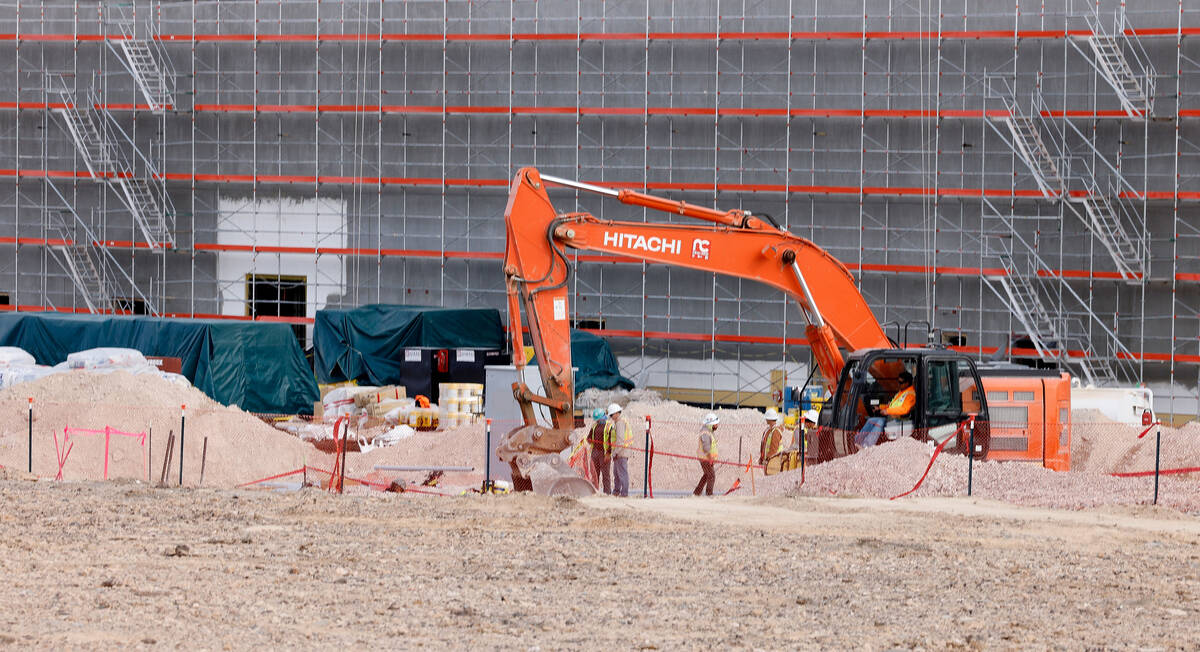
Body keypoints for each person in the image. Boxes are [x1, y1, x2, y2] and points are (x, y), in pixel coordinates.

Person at [854, 370, 916, 449]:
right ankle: (857, 441)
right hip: (892, 418)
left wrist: (887, 411)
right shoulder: (902, 392)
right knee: (871, 420)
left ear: (907, 383)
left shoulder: (910, 394)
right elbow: (891, 405)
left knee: (879, 422)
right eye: (898, 382)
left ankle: (866, 446)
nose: (898, 384)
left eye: (900, 382)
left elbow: (904, 410)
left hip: (901, 420)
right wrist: (880, 407)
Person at [603, 403, 633, 497]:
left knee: (622, 474)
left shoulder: (620, 423)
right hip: (620, 452)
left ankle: (624, 493)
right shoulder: (619, 422)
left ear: (617, 413)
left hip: (621, 452)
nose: (611, 417)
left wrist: (615, 452)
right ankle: (616, 492)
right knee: (617, 473)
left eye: (612, 415)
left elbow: (620, 440)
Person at [693, 412, 719, 496]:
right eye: (715, 424)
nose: (717, 425)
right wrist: (710, 459)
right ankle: (709, 494)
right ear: (711, 424)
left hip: (707, 458)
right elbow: (706, 448)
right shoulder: (705, 433)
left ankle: (696, 493)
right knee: (711, 476)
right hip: (705, 458)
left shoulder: (709, 431)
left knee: (706, 475)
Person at [587, 407, 611, 494]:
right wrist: (589, 440)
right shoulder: (594, 426)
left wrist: (608, 453)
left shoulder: (609, 427)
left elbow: (612, 441)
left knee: (605, 475)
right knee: (594, 474)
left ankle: (607, 493)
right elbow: (589, 438)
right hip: (595, 452)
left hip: (604, 453)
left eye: (598, 419)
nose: (597, 421)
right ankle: (595, 492)